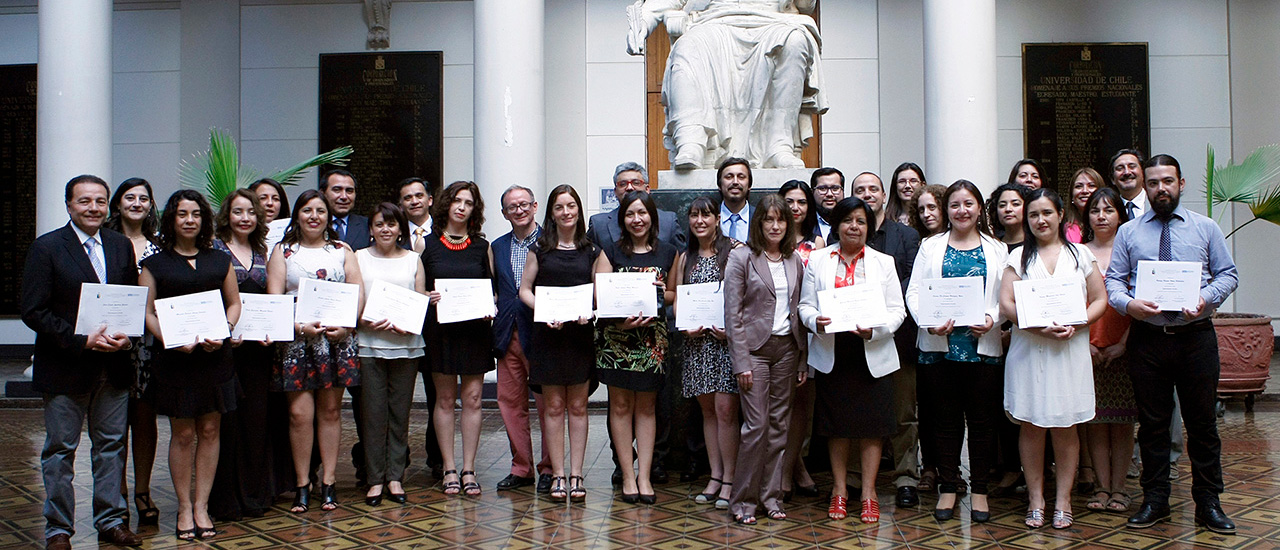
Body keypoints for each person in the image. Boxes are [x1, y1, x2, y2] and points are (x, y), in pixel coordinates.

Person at [1106, 154, 1239, 535]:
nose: (1160, 189)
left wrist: (1205, 298)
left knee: (1202, 425)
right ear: (1145, 188)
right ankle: (1156, 500)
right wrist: (1129, 303)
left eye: (1168, 181)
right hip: (1148, 341)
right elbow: (1115, 282)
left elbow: (1228, 275)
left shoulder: (1206, 228)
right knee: (1152, 426)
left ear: (1181, 184)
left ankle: (1209, 502)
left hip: (1195, 338)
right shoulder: (1129, 233)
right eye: (1153, 183)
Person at [21, 175, 143, 550]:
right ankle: (58, 529)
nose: (93, 208)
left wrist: (128, 335)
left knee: (111, 447)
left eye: (100, 202)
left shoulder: (121, 246)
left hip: (114, 366)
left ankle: (111, 521)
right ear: (69, 205)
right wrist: (81, 339)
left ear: (108, 206)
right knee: (60, 450)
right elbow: (33, 310)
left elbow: (128, 299)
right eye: (85, 201)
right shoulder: (47, 248)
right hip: (66, 366)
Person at [998, 188, 1109, 530]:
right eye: (1033, 214)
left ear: (1061, 215)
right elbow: (1006, 304)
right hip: (1030, 349)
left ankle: (1062, 500)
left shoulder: (1080, 256)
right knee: (1031, 425)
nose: (1040, 220)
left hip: (1069, 350)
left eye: (1046, 213)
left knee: (1065, 425)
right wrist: (1037, 326)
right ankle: (1036, 499)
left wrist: (1079, 322)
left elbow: (1099, 300)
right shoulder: (1017, 258)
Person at [140, 190, 242, 541]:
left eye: (196, 214)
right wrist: (169, 338)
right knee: (183, 434)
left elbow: (234, 304)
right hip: (176, 360)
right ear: (172, 219)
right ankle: (184, 507)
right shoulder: (154, 263)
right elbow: (147, 312)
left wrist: (226, 330)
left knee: (211, 431)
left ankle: (202, 505)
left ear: (204, 219)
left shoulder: (219, 260)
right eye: (182, 214)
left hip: (215, 358)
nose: (189, 220)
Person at [799, 196, 907, 523]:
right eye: (847, 221)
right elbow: (805, 306)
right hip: (835, 353)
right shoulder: (818, 261)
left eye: (861, 221)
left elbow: (897, 310)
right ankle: (840, 490)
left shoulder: (882, 262)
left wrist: (876, 330)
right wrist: (813, 320)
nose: (854, 227)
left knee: (872, 427)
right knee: (838, 427)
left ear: (868, 227)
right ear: (837, 225)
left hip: (871, 352)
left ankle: (870, 492)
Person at [905, 180, 1007, 523]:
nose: (961, 211)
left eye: (968, 204)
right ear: (946, 210)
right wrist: (928, 321)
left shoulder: (997, 249)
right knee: (944, 422)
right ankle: (948, 487)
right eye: (954, 205)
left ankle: (979, 490)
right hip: (938, 348)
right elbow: (914, 292)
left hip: (983, 348)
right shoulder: (929, 247)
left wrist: (994, 318)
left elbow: (1008, 296)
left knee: (982, 423)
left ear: (979, 208)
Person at [626, 0, 825, 169]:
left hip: (772, 19)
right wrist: (645, 18)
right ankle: (692, 139)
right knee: (687, 46)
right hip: (716, 19)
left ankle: (779, 145)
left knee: (795, 41)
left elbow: (805, 6)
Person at [267, 189, 364, 514]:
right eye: (307, 210)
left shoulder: (342, 250)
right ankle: (301, 484)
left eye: (320, 211)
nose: (314, 216)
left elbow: (357, 292)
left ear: (328, 217)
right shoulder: (284, 251)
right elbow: (275, 299)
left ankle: (329, 483)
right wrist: (298, 327)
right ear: (297, 216)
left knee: (331, 412)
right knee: (298, 416)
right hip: (297, 342)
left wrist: (348, 325)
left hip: (335, 342)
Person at [587, 162, 683, 486]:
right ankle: (627, 476)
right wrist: (621, 319)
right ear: (622, 219)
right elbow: (599, 296)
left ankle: (645, 477)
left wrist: (660, 293)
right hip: (617, 340)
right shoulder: (610, 252)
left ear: (652, 217)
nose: (637, 219)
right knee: (620, 406)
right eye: (630, 215)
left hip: (651, 342)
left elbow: (674, 295)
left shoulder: (669, 252)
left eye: (642, 213)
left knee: (647, 408)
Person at [723, 194, 806, 524]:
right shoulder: (741, 258)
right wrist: (741, 361)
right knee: (755, 427)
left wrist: (801, 360)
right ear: (758, 223)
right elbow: (732, 314)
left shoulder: (794, 260)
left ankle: (771, 497)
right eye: (768, 220)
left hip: (787, 349)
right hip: (754, 352)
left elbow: (797, 312)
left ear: (788, 225)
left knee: (778, 428)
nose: (775, 226)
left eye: (781, 220)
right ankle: (742, 500)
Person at [519, 184, 600, 502]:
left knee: (578, 407)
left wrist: (590, 312)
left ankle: (577, 474)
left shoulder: (592, 250)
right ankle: (558, 475)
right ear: (551, 213)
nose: (566, 212)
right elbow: (524, 289)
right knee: (553, 408)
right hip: (548, 337)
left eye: (571, 206)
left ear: (579, 210)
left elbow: (599, 292)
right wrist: (543, 308)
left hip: (579, 337)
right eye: (559, 207)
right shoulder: (539, 248)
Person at [851, 173, 923, 508]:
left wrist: (879, 313)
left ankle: (906, 476)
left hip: (898, 336)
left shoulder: (906, 235)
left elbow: (910, 279)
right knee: (856, 408)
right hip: (852, 339)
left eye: (872, 189)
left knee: (903, 411)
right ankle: (854, 479)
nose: (867, 195)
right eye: (859, 190)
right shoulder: (846, 236)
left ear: (884, 195)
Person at [421, 180, 495, 498]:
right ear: (446, 205)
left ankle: (468, 468)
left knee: (474, 399)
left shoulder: (482, 246)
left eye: (468, 202)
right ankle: (449, 468)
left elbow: (492, 290)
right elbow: (416, 290)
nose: (462, 207)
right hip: (442, 332)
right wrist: (428, 296)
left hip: (475, 332)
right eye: (456, 201)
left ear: (474, 209)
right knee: (446, 400)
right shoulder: (427, 245)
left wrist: (490, 305)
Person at [208, 189, 278, 520]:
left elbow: (274, 297)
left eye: (251, 212)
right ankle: (226, 498)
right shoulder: (214, 250)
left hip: (260, 350)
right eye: (238, 212)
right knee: (227, 422)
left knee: (257, 419)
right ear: (227, 216)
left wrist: (273, 332)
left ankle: (256, 492)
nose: (245, 218)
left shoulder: (265, 250)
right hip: (226, 348)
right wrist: (225, 329)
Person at [354, 202, 425, 507]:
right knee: (372, 415)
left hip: (406, 346)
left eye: (392, 224)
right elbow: (352, 299)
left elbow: (420, 299)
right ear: (371, 229)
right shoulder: (357, 259)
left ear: (400, 229)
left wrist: (410, 320)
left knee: (400, 414)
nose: (385, 229)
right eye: (379, 224)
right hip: (369, 345)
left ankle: (395, 476)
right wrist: (363, 318)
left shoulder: (413, 260)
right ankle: (374, 479)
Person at [672, 196, 740, 510]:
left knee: (727, 412)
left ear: (717, 219)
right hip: (697, 346)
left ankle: (730, 479)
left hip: (727, 346)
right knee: (709, 413)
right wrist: (685, 326)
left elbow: (750, 298)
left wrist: (734, 329)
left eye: (707, 215)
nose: (700, 221)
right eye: (695, 215)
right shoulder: (685, 258)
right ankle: (715, 475)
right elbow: (676, 300)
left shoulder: (736, 251)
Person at [103, 177, 162, 527]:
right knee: (112, 422)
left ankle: (142, 490)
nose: (137, 203)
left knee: (144, 419)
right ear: (118, 203)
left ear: (151, 205)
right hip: (113, 342)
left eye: (144, 198)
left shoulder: (161, 246)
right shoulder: (106, 244)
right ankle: (118, 492)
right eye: (130, 197)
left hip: (150, 345)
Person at [491, 185, 554, 493]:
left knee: (547, 405)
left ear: (534, 206)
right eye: (511, 207)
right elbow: (495, 289)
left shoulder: (551, 243)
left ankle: (549, 468)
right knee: (510, 403)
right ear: (504, 213)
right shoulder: (497, 246)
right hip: (507, 336)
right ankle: (522, 467)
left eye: (523, 204)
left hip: (542, 335)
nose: (518, 210)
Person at [1081, 188, 1137, 514]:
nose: (1102, 216)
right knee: (1096, 421)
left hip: (1124, 348)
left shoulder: (1130, 250)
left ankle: (1120, 489)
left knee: (1123, 422)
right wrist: (1083, 342)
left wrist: (1124, 343)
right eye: (1095, 210)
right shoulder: (1077, 253)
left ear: (1120, 215)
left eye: (1109, 210)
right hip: (1086, 349)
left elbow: (1142, 298)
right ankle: (1101, 487)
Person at [319, 169, 371, 486]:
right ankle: (315, 472)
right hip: (317, 334)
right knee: (322, 408)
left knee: (366, 405)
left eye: (349, 191)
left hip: (364, 330)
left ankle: (369, 467)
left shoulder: (369, 226)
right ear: (323, 192)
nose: (343, 196)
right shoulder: (309, 227)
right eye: (337, 190)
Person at [775, 180, 822, 502]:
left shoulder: (818, 243)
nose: (795, 207)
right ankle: (788, 472)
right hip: (779, 332)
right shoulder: (774, 242)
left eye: (801, 201)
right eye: (789, 201)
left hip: (811, 332)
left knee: (804, 406)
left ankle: (795, 466)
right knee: (780, 408)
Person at [396, 177, 444, 477]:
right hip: (398, 326)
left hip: (436, 327)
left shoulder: (445, 234)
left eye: (418, 195)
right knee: (398, 396)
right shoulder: (390, 234)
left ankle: (438, 459)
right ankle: (395, 461)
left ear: (429, 200)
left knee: (438, 396)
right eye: (407, 197)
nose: (413, 201)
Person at [985, 182, 1029, 497]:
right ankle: (1010, 466)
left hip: (1030, 337)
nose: (1009, 209)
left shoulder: (1038, 245)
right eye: (1002, 204)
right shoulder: (994, 246)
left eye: (1015, 203)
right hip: (996, 338)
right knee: (1003, 407)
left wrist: (1014, 329)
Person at [587, 162, 685, 251]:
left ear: (647, 189)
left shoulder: (668, 221)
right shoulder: (598, 225)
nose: (629, 188)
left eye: (636, 183)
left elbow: (682, 260)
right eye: (623, 184)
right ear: (615, 192)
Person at [717, 158, 753, 241]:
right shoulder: (707, 218)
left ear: (749, 185)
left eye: (741, 177)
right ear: (719, 185)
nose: (735, 182)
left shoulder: (760, 217)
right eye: (729, 177)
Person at [1066, 168, 1104, 243]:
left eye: (1091, 186)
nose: (1085, 191)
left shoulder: (1109, 226)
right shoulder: (1062, 229)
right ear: (1072, 195)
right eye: (1079, 186)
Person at [1110, 149, 1148, 220]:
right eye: (1120, 168)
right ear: (1112, 179)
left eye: (1132, 166)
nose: (1127, 172)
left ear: (1143, 173)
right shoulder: (1109, 209)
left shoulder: (1155, 203)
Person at [810, 167, 845, 239]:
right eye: (822, 189)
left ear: (843, 191)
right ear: (812, 192)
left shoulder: (852, 222)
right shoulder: (804, 223)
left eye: (835, 188)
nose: (829, 194)